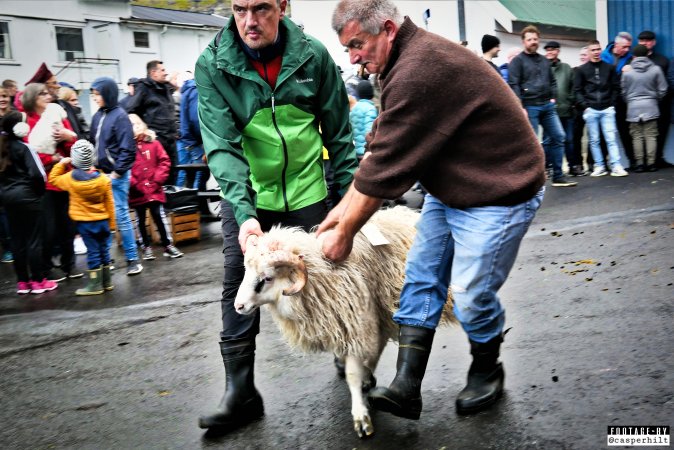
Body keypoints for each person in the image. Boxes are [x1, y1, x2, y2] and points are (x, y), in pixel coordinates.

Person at [321, 0, 545, 419]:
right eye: (347, 48)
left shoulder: (421, 67)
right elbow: (379, 150)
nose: (352, 57)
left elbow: (386, 169)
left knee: (469, 294)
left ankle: (486, 367)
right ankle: (407, 386)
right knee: (420, 278)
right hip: (453, 186)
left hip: (501, 189)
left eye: (357, 44)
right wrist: (338, 214)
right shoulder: (398, 63)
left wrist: (346, 231)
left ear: (387, 28)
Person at [194, 0, 357, 431]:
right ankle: (241, 392)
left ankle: (350, 357)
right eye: (239, 8)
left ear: (283, 6)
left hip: (307, 189)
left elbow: (339, 133)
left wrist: (349, 203)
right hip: (248, 192)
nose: (249, 20)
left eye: (261, 7)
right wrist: (244, 213)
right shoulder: (213, 64)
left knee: (331, 272)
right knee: (236, 276)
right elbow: (222, 147)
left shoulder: (314, 55)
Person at [22, 83, 82, 281]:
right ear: (32, 98)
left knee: (68, 226)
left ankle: (69, 265)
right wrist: (52, 159)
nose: (48, 96)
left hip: (65, 178)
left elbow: (74, 145)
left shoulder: (57, 115)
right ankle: (46, 267)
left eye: (48, 93)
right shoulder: (28, 121)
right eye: (42, 94)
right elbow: (29, 153)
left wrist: (68, 136)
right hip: (44, 183)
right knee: (48, 229)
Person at [508, 25, 576, 187]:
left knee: (559, 136)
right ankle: (530, 179)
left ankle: (558, 176)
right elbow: (514, 84)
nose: (533, 42)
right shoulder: (517, 62)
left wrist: (552, 97)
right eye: (529, 39)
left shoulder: (544, 61)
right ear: (524, 41)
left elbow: (552, 81)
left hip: (547, 106)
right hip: (529, 107)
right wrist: (521, 107)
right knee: (531, 143)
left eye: (535, 39)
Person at [89, 77, 142, 275]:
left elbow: (128, 149)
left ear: (108, 94)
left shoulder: (120, 116)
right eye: (93, 95)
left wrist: (117, 172)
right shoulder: (98, 115)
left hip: (116, 176)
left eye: (98, 94)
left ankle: (132, 259)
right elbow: (93, 141)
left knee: (121, 217)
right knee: (103, 218)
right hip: (100, 175)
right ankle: (106, 259)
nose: (95, 98)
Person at [48, 140, 115, 295]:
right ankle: (107, 282)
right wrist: (112, 225)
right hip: (103, 221)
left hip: (85, 224)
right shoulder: (104, 180)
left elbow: (53, 178)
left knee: (93, 252)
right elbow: (110, 203)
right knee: (104, 250)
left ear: (74, 159)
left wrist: (63, 163)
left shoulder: (70, 179)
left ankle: (95, 285)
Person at [0, 111, 56, 294]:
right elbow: (38, 175)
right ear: (19, 128)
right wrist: (38, 194)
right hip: (28, 198)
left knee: (17, 240)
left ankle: (23, 282)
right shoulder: (26, 148)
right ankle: (39, 280)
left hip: (8, 199)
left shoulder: (2, 148)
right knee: (34, 240)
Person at [128, 114, 183, 260]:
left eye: (138, 123)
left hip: (154, 189)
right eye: (132, 125)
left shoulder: (154, 143)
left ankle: (168, 245)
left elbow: (164, 161)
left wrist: (157, 180)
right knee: (140, 219)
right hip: (137, 192)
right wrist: (135, 184)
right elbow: (127, 168)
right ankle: (146, 246)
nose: (137, 126)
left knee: (159, 216)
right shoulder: (128, 148)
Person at [574, 40, 628, 177]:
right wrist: (585, 107)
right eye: (593, 50)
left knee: (610, 139)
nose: (596, 52)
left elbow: (616, 87)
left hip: (607, 108)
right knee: (594, 140)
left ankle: (616, 165)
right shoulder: (581, 70)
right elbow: (578, 90)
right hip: (591, 109)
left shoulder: (609, 68)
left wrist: (612, 104)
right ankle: (599, 166)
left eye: (598, 49)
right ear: (588, 52)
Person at [125, 61, 179, 185]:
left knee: (173, 173)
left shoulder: (165, 87)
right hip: (155, 141)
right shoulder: (143, 88)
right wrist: (142, 130)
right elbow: (130, 111)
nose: (165, 73)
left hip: (170, 140)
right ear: (153, 73)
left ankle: (170, 201)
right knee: (158, 177)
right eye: (162, 70)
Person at [621, 44, 668, 172]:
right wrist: (655, 99)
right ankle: (651, 163)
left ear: (634, 56)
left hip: (633, 107)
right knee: (651, 135)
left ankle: (640, 164)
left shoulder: (627, 72)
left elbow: (623, 92)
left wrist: (630, 101)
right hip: (651, 106)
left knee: (637, 136)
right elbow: (663, 88)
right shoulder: (656, 69)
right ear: (648, 54)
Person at [543, 41, 580, 176]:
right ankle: (548, 167)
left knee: (569, 140)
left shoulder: (566, 68)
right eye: (547, 50)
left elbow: (573, 87)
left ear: (558, 51)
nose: (550, 52)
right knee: (548, 141)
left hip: (566, 110)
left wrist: (570, 101)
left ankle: (572, 166)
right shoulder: (542, 68)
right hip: (549, 111)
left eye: (552, 50)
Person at [25, 63, 87, 140]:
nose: (59, 86)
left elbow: (80, 131)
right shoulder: (35, 115)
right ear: (44, 86)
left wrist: (75, 139)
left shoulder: (65, 105)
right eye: (54, 83)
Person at [637, 30, 671, 167]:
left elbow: (667, 83)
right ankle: (642, 161)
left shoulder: (662, 60)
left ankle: (658, 158)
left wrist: (659, 98)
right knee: (640, 133)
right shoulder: (632, 61)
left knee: (661, 131)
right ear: (639, 42)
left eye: (648, 40)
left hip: (661, 103)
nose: (645, 43)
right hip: (640, 105)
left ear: (654, 42)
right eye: (642, 41)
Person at [601, 32, 634, 165]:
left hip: (621, 100)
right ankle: (601, 163)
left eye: (629, 47)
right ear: (616, 45)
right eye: (624, 47)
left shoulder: (631, 59)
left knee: (625, 131)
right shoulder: (603, 56)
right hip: (604, 99)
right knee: (603, 133)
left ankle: (633, 160)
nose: (627, 50)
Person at [176, 74, 206, 190]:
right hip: (195, 140)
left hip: (188, 138)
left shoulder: (188, 90)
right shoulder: (196, 89)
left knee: (186, 173)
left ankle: (182, 203)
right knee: (200, 173)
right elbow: (195, 118)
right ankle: (195, 204)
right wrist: (203, 139)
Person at [350, 79, 378, 159]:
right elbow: (370, 130)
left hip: (354, 151)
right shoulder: (370, 109)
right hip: (365, 152)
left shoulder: (354, 108)